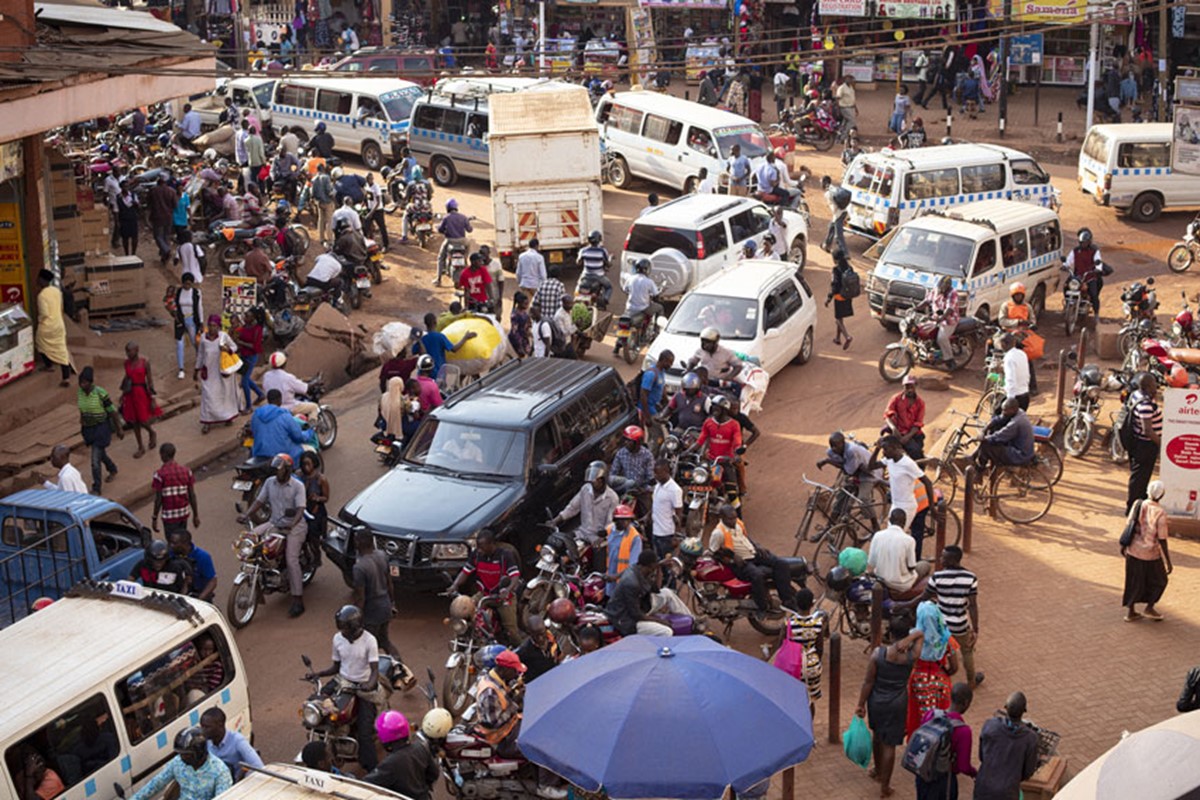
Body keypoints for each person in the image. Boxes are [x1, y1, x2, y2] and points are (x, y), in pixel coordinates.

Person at [305, 606, 383, 771]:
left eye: (346, 630)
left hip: (360, 685)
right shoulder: (338, 638)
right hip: (341, 680)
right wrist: (318, 674)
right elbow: (336, 667)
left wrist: (368, 685)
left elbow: (375, 670)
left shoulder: (370, 641)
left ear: (356, 627)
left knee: (365, 731)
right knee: (315, 703)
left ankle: (372, 769)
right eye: (341, 629)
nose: (343, 633)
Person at [855, 616, 921, 800]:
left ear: (890, 633)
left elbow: (868, 681)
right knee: (890, 744)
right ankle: (885, 786)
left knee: (877, 735)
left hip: (876, 700)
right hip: (898, 702)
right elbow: (922, 634)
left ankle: (877, 770)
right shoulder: (911, 656)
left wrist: (861, 704)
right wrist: (911, 637)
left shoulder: (878, 654)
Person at [239, 453, 308, 617]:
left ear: (288, 470)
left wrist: (293, 522)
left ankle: (298, 599)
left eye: (280, 469)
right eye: (276, 469)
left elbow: (300, 509)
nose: (277, 472)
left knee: (292, 560)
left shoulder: (298, 486)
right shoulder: (270, 482)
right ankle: (257, 577)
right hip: (275, 523)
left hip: (295, 527)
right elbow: (259, 501)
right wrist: (247, 514)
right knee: (250, 537)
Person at [709, 504, 797, 610]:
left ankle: (787, 600)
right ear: (722, 517)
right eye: (730, 519)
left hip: (754, 554)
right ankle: (761, 606)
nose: (733, 521)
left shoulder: (738, 523)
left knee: (781, 564)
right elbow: (713, 552)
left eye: (735, 517)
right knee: (757, 575)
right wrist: (733, 557)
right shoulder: (718, 533)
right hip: (742, 563)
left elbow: (746, 537)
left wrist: (757, 545)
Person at [447, 529, 522, 644]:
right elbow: (465, 571)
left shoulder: (505, 555)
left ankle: (518, 653)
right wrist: (455, 585)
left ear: (491, 544)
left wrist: (508, 590)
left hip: (503, 597)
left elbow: (515, 576)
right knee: (464, 611)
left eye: (482, 547)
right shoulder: (476, 555)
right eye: (477, 546)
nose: (479, 550)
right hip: (484, 594)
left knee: (511, 631)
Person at [926, 545, 983, 690]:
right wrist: (975, 629)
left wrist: (904, 604)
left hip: (942, 625)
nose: (940, 559)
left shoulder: (937, 577)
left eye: (943, 557)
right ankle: (971, 681)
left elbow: (924, 597)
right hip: (960, 625)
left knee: (939, 652)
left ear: (951, 560)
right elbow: (972, 605)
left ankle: (937, 680)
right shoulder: (970, 578)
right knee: (967, 652)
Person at [127, 727, 231, 800]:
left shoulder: (220, 771)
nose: (182, 757)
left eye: (187, 755)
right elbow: (156, 784)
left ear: (199, 752)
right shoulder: (178, 763)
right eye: (180, 754)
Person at [906, 600, 960, 738]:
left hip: (918, 681)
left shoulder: (913, 638)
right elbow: (954, 667)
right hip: (940, 683)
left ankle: (918, 745)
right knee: (942, 716)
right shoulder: (946, 638)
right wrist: (944, 672)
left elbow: (908, 661)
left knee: (917, 715)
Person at [914, 683, 976, 800]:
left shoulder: (930, 714)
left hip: (923, 774)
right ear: (966, 703)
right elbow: (964, 766)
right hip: (944, 781)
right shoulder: (963, 731)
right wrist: (974, 773)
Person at [771, 588, 826, 719]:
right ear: (812, 605)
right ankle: (809, 731)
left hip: (793, 667)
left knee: (792, 699)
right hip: (812, 666)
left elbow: (781, 646)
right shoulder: (818, 624)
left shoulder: (789, 623)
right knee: (809, 700)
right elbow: (820, 648)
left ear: (796, 603)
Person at [1122, 479, 1172, 622]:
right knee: (1160, 580)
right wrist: (1168, 561)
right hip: (1150, 553)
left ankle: (1131, 612)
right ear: (1161, 495)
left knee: (1133, 581)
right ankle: (1149, 607)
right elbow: (1162, 539)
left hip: (1133, 550)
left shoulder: (1138, 504)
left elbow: (1129, 525)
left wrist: (1124, 545)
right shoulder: (1160, 513)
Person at [974, 692, 1039, 800]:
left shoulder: (990, 725)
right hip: (1008, 792)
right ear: (1024, 711)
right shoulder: (1030, 739)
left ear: (1005, 708)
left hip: (983, 787)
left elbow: (982, 756)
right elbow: (1028, 772)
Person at [364, 711, 437, 800]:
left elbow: (367, 784)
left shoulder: (390, 764)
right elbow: (434, 774)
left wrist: (348, 777)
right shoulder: (421, 747)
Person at [816, 431, 881, 531]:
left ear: (843, 443)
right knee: (840, 498)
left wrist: (828, 461)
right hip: (855, 473)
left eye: (836, 446)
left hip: (868, 473)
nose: (833, 448)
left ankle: (875, 524)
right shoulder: (831, 452)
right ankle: (829, 527)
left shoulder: (851, 451)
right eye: (831, 445)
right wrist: (829, 460)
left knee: (863, 499)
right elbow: (842, 464)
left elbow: (848, 471)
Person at [553, 460, 620, 556]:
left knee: (598, 563)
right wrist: (556, 520)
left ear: (602, 480)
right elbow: (572, 507)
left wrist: (603, 537)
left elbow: (610, 523)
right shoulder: (585, 489)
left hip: (599, 538)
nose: (593, 483)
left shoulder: (612, 498)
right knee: (562, 545)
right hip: (582, 533)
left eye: (596, 480)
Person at [354, 528, 400, 658]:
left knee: (367, 647)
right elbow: (389, 583)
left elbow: (361, 598)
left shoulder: (359, 567)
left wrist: (356, 618)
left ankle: (370, 675)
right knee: (385, 641)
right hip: (385, 606)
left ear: (358, 543)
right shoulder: (382, 556)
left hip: (372, 612)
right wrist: (392, 603)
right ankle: (401, 668)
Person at [606, 550, 674, 636]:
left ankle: (692, 623)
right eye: (655, 564)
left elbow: (657, 589)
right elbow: (636, 615)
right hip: (626, 620)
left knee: (667, 592)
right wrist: (660, 621)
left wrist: (659, 567)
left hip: (642, 606)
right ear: (650, 566)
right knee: (666, 632)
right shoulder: (632, 583)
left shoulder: (638, 569)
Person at [77, 367, 123, 494]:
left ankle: (96, 488)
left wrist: (119, 428)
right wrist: (82, 418)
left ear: (91, 382)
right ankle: (112, 468)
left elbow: (112, 412)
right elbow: (81, 407)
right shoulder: (80, 392)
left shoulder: (100, 393)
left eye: (85, 382)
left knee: (94, 460)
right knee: (100, 453)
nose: (82, 385)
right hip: (88, 429)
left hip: (101, 428)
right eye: (81, 382)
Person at [867, 508, 930, 595]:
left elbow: (872, 562)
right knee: (925, 565)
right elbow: (911, 567)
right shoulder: (909, 540)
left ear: (889, 520)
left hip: (880, 580)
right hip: (902, 584)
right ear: (904, 523)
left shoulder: (877, 535)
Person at [195, 316, 239, 433]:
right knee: (208, 396)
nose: (211, 328)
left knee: (224, 395)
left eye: (214, 326)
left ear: (218, 327)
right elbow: (200, 354)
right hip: (208, 372)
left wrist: (226, 349)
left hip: (222, 372)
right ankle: (207, 422)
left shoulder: (224, 336)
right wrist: (196, 369)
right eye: (210, 325)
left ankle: (227, 417)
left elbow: (235, 347)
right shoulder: (203, 338)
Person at [116, 342, 161, 458]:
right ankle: (140, 446)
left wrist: (152, 398)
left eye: (130, 351)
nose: (128, 353)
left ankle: (151, 432)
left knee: (142, 419)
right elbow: (127, 378)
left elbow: (150, 381)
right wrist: (123, 393)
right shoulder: (126, 364)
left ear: (136, 350)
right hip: (130, 394)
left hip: (141, 392)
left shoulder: (144, 363)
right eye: (127, 351)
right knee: (134, 421)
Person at [1126, 372, 1161, 513]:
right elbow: (1148, 430)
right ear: (1147, 386)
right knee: (1140, 476)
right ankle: (1133, 507)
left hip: (1138, 442)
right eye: (1153, 384)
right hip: (1146, 445)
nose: (1156, 386)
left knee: (1140, 476)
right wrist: (1162, 444)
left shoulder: (1136, 395)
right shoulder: (1145, 405)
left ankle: (1137, 502)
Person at [200, 706, 262, 781]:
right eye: (202, 727)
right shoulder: (206, 743)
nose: (203, 731)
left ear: (220, 725)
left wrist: (243, 781)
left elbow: (258, 766)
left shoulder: (238, 741)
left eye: (207, 727)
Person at [973, 398, 1034, 470]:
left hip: (1020, 455)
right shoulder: (1019, 411)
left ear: (1013, 409)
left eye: (1005, 410)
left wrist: (982, 439)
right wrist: (984, 430)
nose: (1003, 412)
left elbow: (999, 436)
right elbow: (998, 419)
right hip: (1020, 447)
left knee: (985, 446)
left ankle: (979, 472)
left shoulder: (1016, 423)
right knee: (993, 431)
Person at [250, 389, 308, 464]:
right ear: (280, 400)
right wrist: (309, 433)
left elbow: (254, 433)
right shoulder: (284, 415)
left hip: (259, 454)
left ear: (268, 400)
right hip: (282, 456)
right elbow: (298, 436)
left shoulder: (256, 415)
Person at [35, 270, 73, 385]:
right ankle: (66, 377)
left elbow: (44, 313)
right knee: (61, 350)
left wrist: (39, 321)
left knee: (39, 343)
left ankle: (48, 365)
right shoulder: (56, 291)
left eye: (38, 278)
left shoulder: (41, 296)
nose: (37, 281)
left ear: (42, 280)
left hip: (47, 326)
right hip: (59, 324)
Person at [153, 442, 200, 535]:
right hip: (183, 514)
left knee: (173, 542)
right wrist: (195, 515)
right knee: (181, 540)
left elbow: (158, 500)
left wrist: (154, 518)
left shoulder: (159, 474)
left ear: (162, 455)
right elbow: (192, 495)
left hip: (169, 517)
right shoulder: (187, 471)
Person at [262, 352, 320, 419]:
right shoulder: (288, 377)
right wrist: (315, 383)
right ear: (284, 364)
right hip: (289, 407)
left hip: (272, 407)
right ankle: (310, 428)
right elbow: (305, 388)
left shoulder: (266, 376)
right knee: (314, 407)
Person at [419, 312, 476, 377]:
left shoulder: (422, 339)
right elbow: (454, 349)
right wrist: (465, 338)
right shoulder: (440, 337)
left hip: (424, 374)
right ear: (435, 322)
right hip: (438, 373)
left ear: (425, 323)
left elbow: (415, 352)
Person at [650, 458, 682, 569]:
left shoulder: (675, 490)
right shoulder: (658, 486)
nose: (655, 475)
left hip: (666, 535)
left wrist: (676, 536)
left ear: (666, 472)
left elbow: (679, 512)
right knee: (658, 564)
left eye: (657, 473)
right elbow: (656, 504)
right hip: (656, 532)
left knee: (668, 567)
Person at [884, 375, 926, 460]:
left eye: (912, 386)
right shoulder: (896, 398)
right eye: (907, 387)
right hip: (898, 431)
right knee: (886, 449)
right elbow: (887, 415)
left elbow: (918, 423)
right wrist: (894, 429)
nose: (909, 389)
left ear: (915, 386)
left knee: (916, 452)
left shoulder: (920, 403)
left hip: (912, 433)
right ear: (903, 386)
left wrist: (907, 437)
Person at [169, 527, 217, 601]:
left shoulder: (202, 557)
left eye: (174, 543)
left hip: (197, 593)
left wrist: (199, 600)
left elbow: (212, 581)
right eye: (170, 542)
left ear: (185, 543)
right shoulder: (170, 553)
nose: (171, 545)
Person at [1064, 227, 1103, 316]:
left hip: (1089, 277)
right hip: (1077, 276)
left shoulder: (1094, 251)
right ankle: (1067, 304)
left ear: (1089, 242)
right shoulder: (1076, 251)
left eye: (1085, 243)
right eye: (1081, 243)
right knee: (1065, 287)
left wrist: (1098, 268)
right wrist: (1065, 265)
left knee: (1094, 294)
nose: (1083, 244)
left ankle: (1096, 314)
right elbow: (1069, 260)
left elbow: (1098, 261)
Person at [232, 310, 266, 412]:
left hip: (251, 356)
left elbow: (255, 346)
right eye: (245, 316)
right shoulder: (245, 327)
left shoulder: (257, 329)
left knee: (244, 381)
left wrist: (241, 342)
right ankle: (260, 394)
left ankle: (248, 406)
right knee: (245, 378)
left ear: (253, 318)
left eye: (247, 316)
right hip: (244, 355)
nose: (245, 318)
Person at [923, 275, 960, 368]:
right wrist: (915, 307)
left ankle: (949, 359)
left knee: (941, 337)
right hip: (936, 318)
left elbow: (949, 309)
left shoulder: (953, 293)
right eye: (939, 289)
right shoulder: (936, 290)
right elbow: (927, 301)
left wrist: (941, 318)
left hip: (949, 320)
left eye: (942, 289)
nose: (940, 291)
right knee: (923, 330)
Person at [604, 504, 643, 590]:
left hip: (624, 580)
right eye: (622, 520)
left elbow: (633, 565)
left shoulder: (635, 538)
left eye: (627, 520)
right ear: (615, 520)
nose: (625, 522)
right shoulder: (609, 530)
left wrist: (615, 577)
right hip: (609, 576)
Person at [172, 272, 203, 380]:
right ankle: (181, 369)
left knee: (195, 342)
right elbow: (174, 305)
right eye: (185, 284)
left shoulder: (196, 293)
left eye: (189, 284)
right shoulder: (179, 292)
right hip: (180, 320)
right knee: (179, 344)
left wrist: (201, 322)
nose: (187, 286)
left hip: (192, 320)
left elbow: (199, 308)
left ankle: (200, 362)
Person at [610, 425, 655, 497]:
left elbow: (651, 478)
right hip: (625, 488)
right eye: (625, 440)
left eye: (629, 441)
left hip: (641, 490)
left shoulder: (647, 455)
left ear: (637, 442)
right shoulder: (621, 453)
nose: (625, 443)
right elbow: (613, 473)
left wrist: (644, 490)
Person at [436, 198, 473, 286]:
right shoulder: (463, 217)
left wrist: (442, 231)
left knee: (441, 258)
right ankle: (465, 258)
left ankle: (438, 279)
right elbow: (469, 230)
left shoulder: (446, 217)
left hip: (449, 241)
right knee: (468, 246)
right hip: (462, 241)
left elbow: (441, 229)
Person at [514, 614, 561, 682]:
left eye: (542, 633)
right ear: (529, 633)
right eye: (536, 636)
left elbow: (559, 655)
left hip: (555, 677)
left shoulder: (551, 639)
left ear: (545, 629)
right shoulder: (524, 651)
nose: (540, 638)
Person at [827, 251, 856, 349]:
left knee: (838, 319)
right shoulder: (849, 268)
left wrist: (829, 298)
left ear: (836, 259)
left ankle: (847, 336)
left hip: (839, 296)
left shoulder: (836, 270)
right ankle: (837, 338)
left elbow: (834, 285)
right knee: (840, 317)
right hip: (848, 296)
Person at [148, 175, 178, 263]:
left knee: (158, 236)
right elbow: (175, 205)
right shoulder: (171, 191)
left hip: (157, 216)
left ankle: (166, 250)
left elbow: (149, 204)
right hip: (168, 216)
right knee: (166, 236)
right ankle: (164, 256)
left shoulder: (153, 190)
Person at [999, 333, 1031, 411]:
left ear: (1003, 344)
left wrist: (1010, 400)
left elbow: (1011, 380)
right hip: (1025, 396)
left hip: (1015, 398)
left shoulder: (1009, 358)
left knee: (996, 420)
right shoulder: (1022, 354)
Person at [821, 176, 849, 256]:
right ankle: (826, 245)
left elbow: (834, 208)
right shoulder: (834, 188)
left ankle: (845, 253)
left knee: (838, 235)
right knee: (831, 227)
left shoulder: (827, 194)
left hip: (838, 214)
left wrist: (830, 206)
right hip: (843, 212)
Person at [312, 163, 336, 244]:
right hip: (328, 202)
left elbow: (313, 193)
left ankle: (321, 238)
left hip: (319, 202)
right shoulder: (326, 177)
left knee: (321, 220)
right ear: (323, 169)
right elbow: (329, 191)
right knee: (329, 221)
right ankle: (330, 239)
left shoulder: (314, 178)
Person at [116, 180, 140, 255]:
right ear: (121, 187)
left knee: (134, 237)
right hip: (123, 219)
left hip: (133, 218)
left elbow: (139, 206)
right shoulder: (118, 197)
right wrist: (117, 221)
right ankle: (126, 253)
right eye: (124, 186)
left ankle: (133, 253)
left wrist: (136, 204)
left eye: (127, 186)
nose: (126, 188)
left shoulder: (133, 195)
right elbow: (116, 210)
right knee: (125, 238)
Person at [480, 244, 505, 315]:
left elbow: (501, 281)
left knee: (496, 316)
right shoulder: (478, 266)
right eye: (481, 253)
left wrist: (500, 297)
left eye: (484, 253)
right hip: (482, 297)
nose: (483, 256)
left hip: (495, 296)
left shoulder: (496, 265)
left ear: (489, 253)